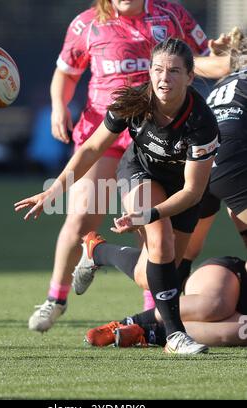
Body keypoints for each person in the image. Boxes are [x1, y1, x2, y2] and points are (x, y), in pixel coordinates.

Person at [27, 0, 229, 333]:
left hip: (160, 135)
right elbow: (66, 72)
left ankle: (151, 312)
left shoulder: (171, 14)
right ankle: (55, 298)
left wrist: (229, 59)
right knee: (80, 216)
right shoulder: (86, 24)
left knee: (156, 241)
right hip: (108, 131)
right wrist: (58, 107)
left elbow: (202, 60)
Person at [176, 26, 247, 284]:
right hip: (230, 158)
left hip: (197, 159)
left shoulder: (227, 80)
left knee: (183, 254)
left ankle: (103, 252)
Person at [84, 255, 247, 348]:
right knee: (216, 304)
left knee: (242, 330)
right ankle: (128, 322)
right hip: (231, 277)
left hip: (240, 316)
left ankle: (144, 334)